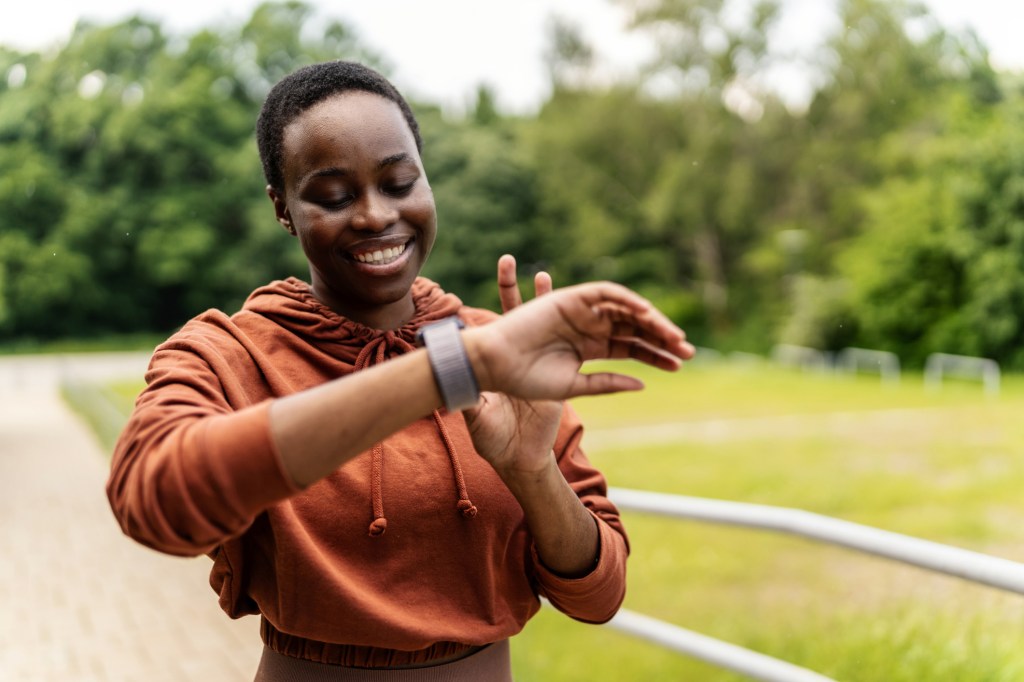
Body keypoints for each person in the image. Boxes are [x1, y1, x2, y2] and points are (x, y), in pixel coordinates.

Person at [107, 60, 695, 681]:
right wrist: (445, 372)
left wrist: (532, 471)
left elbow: (599, 595)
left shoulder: (498, 351)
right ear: (283, 209)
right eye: (333, 196)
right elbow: (152, 499)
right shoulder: (227, 354)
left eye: (398, 182)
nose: (373, 216)